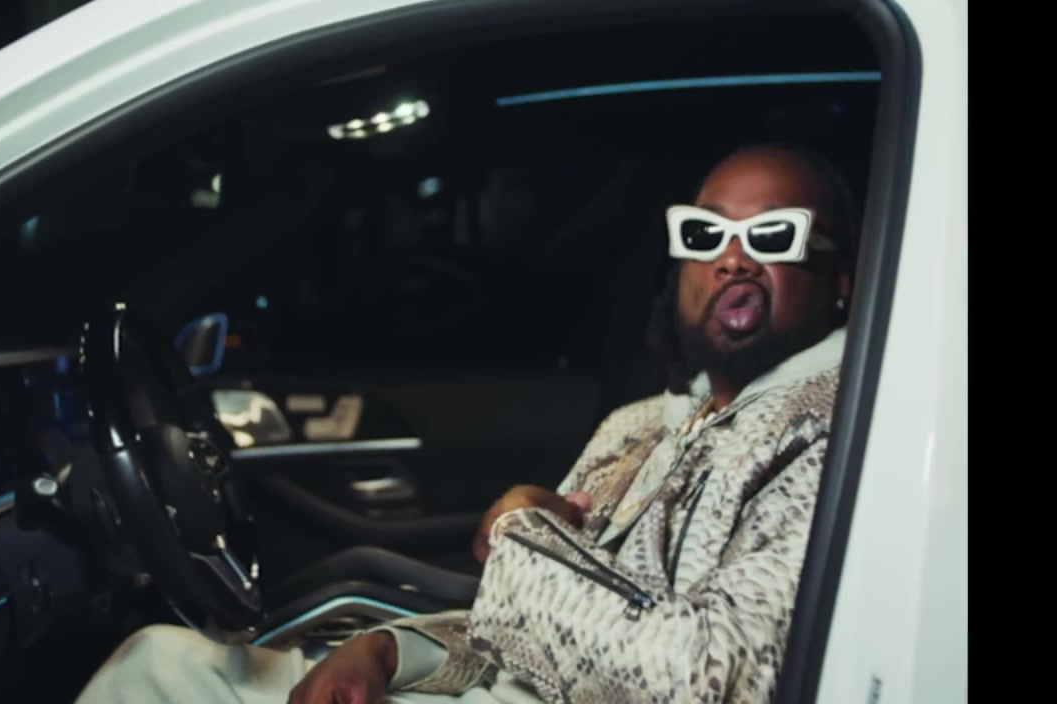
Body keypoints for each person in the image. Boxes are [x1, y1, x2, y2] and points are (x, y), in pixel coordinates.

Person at [75, 142, 857, 704]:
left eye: (772, 236)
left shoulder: (839, 437)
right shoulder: (641, 424)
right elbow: (521, 631)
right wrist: (392, 652)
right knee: (161, 663)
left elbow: (712, 681)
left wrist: (522, 530)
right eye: (705, 234)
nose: (732, 259)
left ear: (842, 281)